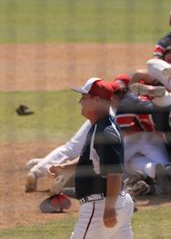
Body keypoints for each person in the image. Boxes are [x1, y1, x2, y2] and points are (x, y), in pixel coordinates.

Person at [48, 78, 133, 238]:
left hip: (101, 205)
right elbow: (94, 160)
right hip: (117, 202)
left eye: (84, 97)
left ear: (96, 100)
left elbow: (114, 173)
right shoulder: (102, 126)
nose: (80, 101)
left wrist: (109, 208)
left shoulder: (105, 132)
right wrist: (64, 167)